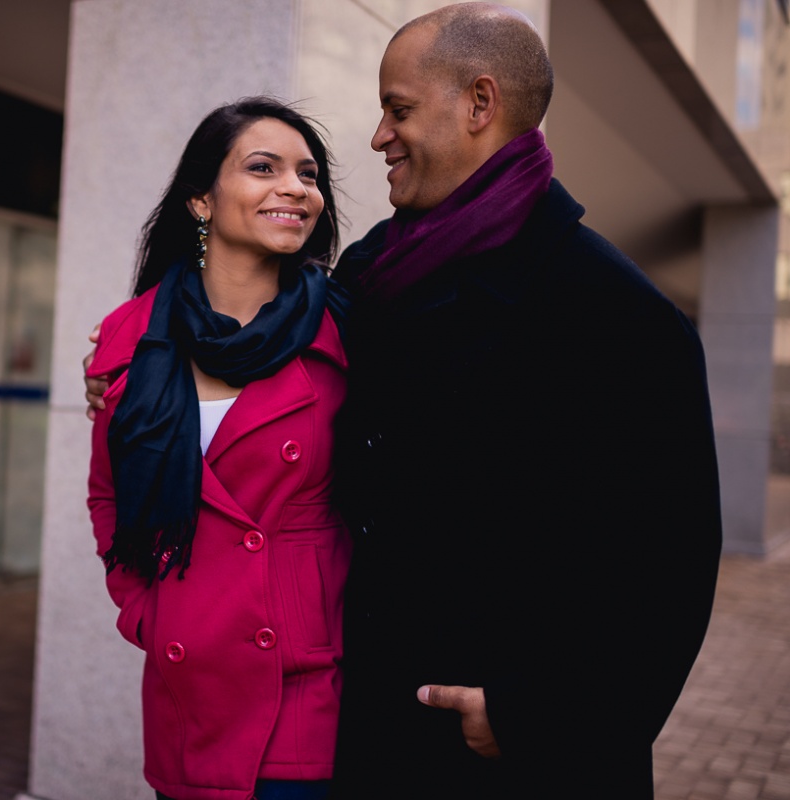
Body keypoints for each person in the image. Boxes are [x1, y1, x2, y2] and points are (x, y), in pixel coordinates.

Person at [87, 5, 722, 798]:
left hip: (506, 753)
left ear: (480, 105)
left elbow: (667, 564)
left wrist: (537, 710)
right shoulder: (365, 274)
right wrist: (138, 365)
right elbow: (250, 356)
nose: (380, 135)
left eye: (400, 109)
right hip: (362, 726)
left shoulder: (615, 312)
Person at [86, 96, 351, 800]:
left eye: (308, 173)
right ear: (201, 201)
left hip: (304, 674)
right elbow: (109, 493)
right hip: (185, 679)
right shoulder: (131, 338)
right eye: (263, 167)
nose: (296, 187)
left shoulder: (351, 330)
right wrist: (143, 608)